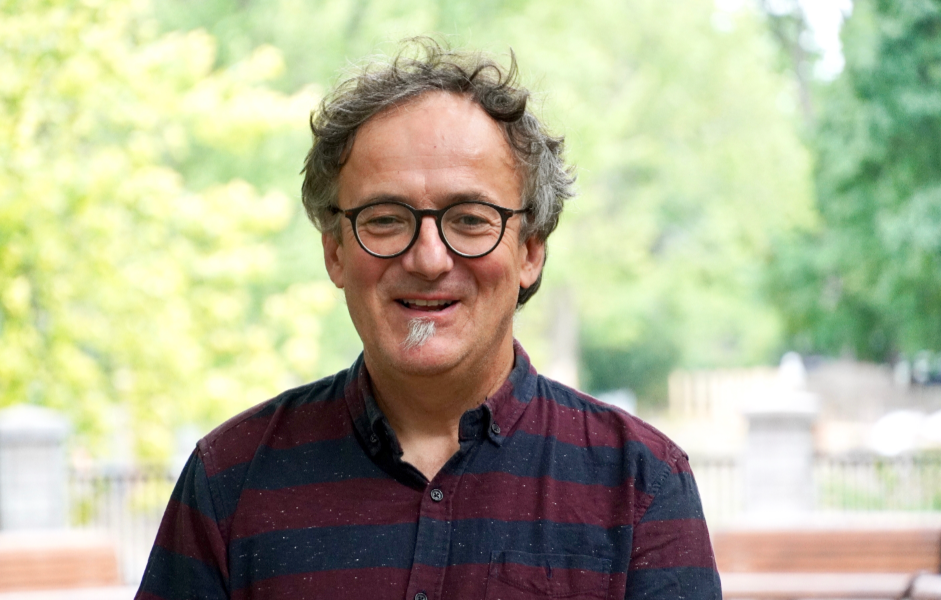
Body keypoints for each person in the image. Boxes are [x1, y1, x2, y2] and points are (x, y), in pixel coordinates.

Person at [136, 39, 722, 600]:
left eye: (469, 219)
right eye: (385, 219)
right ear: (335, 251)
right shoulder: (229, 482)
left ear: (530, 251)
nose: (428, 259)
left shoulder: (641, 486)